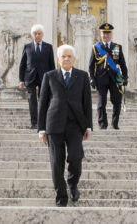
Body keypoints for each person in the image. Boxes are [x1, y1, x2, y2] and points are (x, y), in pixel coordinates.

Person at [37, 44, 93, 207]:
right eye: (63, 56)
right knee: (56, 162)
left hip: (76, 124)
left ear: (74, 59)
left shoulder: (82, 76)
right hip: (54, 124)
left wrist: (88, 126)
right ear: (58, 59)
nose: (66, 59)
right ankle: (61, 195)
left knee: (76, 157)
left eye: (69, 56)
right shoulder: (49, 76)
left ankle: (72, 184)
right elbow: (43, 103)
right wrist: (41, 129)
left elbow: (87, 102)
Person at [88, 23, 128, 130]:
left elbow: (123, 64)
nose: (106, 35)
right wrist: (91, 78)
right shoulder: (96, 48)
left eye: (108, 33)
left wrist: (126, 77)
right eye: (104, 33)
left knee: (117, 102)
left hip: (115, 79)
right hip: (101, 79)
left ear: (111, 34)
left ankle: (115, 124)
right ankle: (103, 124)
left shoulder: (117, 47)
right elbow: (91, 66)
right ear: (100, 34)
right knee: (101, 103)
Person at [18, 24, 56, 129]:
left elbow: (52, 64)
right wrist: (21, 79)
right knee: (32, 99)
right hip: (30, 77)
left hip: (44, 77)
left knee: (43, 99)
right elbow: (22, 64)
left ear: (42, 34)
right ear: (32, 34)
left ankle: (42, 122)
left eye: (39, 33)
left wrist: (53, 79)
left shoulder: (48, 47)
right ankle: (34, 122)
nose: (37, 35)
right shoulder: (27, 47)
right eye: (35, 33)